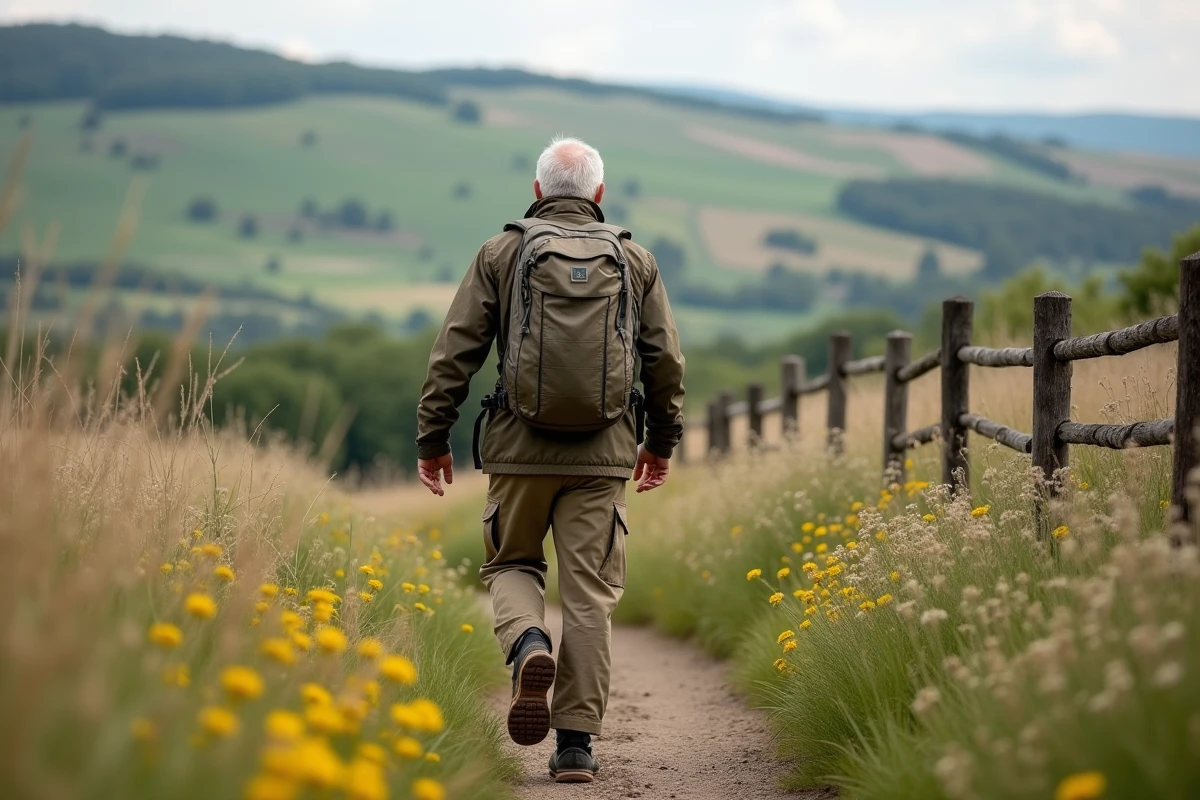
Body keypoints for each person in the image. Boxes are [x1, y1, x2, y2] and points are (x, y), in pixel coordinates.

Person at [415, 136, 685, 783]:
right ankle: (574, 748)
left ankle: (528, 644)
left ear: (538, 193)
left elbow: (455, 353)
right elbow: (665, 361)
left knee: (511, 561)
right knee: (590, 593)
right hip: (604, 455)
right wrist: (661, 441)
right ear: (598, 194)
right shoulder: (634, 259)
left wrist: (433, 437)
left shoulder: (502, 253)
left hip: (518, 450)